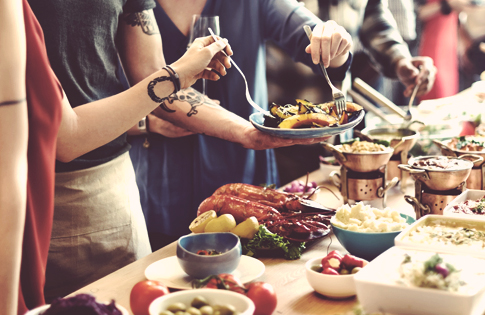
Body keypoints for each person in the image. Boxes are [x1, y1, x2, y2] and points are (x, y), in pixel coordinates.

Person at [28, 0, 345, 299]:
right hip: (76, 183)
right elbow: (68, 132)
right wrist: (175, 79)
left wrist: (248, 133)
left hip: (126, 185)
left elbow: (153, 76)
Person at [2, 0, 234, 312]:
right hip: (30, 194)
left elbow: (152, 72)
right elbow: (65, 138)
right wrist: (178, 73)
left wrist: (250, 131)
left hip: (115, 191)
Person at [129, 0, 355, 250]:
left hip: (244, 177)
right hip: (161, 177)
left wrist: (334, 42)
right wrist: (144, 122)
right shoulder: (130, 8)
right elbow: (93, 100)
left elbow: (318, 45)